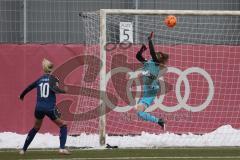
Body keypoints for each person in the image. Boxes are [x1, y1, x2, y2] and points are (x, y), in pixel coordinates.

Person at [19, 58, 70, 155]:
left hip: (38, 108)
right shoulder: (53, 79)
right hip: (50, 108)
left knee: (36, 127)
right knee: (63, 125)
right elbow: (55, 89)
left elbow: (29, 87)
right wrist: (64, 91)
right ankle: (61, 149)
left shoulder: (39, 79)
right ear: (52, 69)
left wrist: (22, 95)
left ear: (44, 69)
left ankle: (23, 150)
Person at [135, 32, 169, 130]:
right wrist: (142, 49)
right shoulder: (147, 62)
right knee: (139, 112)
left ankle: (148, 75)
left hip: (152, 87)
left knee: (150, 77)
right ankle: (159, 121)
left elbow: (152, 52)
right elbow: (138, 56)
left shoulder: (156, 63)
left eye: (156, 55)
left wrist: (150, 41)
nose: (154, 55)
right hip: (147, 90)